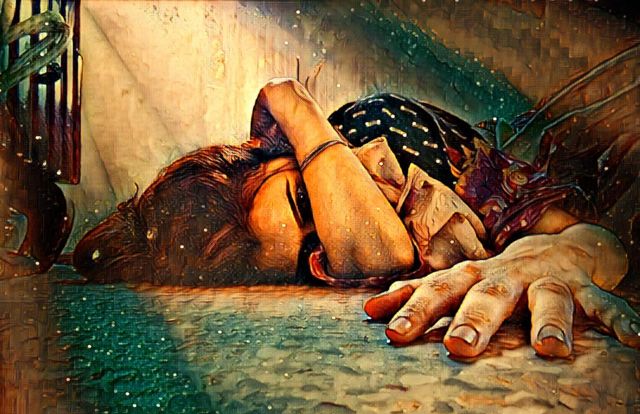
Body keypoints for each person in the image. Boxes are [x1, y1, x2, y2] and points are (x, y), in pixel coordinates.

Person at [73, 49, 640, 359]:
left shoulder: (379, 129)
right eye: (310, 255)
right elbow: (382, 254)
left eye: (303, 197)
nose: (337, 242)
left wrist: (296, 109)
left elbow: (591, 237)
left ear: (284, 150)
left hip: (566, 152)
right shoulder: (336, 262)